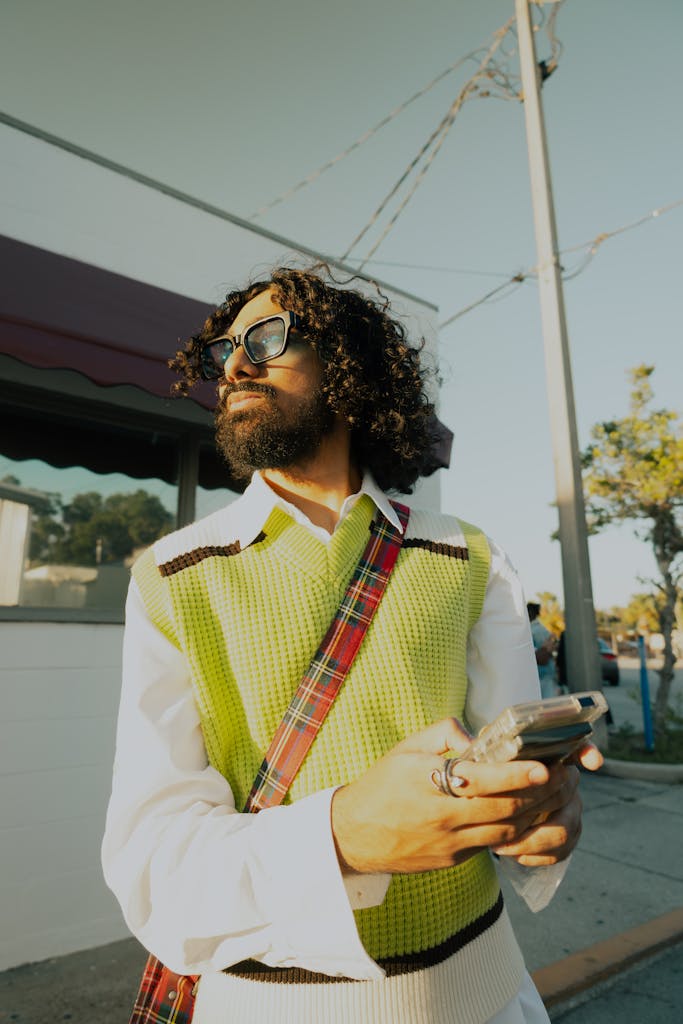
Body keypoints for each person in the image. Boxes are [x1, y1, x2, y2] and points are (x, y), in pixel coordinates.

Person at [102, 267, 602, 1024]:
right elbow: (152, 865)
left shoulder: (469, 555)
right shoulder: (172, 576)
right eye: (222, 352)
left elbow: (513, 773)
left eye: (266, 339)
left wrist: (542, 816)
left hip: (490, 998)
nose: (234, 365)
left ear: (347, 365)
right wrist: (339, 836)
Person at [527, 601, 558, 699]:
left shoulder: (533, 631)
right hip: (546, 675)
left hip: (541, 676)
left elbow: (541, 657)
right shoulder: (541, 629)